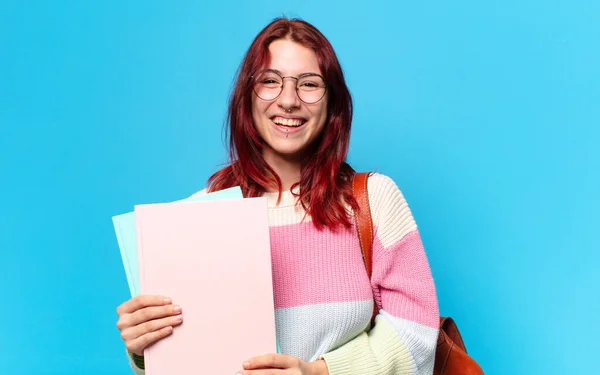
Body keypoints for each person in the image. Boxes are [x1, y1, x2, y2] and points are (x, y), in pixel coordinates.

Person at [115, 17, 440, 375]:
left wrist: (318, 372)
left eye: (309, 84)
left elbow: (417, 336)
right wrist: (147, 348)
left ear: (332, 103)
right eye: (270, 81)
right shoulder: (200, 216)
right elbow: (192, 359)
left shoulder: (372, 200)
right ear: (247, 97)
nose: (288, 100)